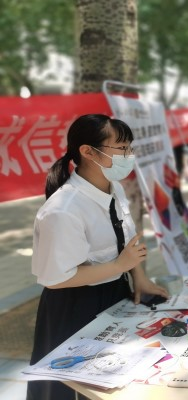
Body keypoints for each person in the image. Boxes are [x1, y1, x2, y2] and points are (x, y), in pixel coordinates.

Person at [27, 114, 169, 400]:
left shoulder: (114, 188)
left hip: (115, 293)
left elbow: (127, 241)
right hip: (74, 306)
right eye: (122, 148)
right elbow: (56, 278)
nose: (129, 156)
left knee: (118, 382)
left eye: (129, 148)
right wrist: (118, 265)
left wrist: (139, 278)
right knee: (74, 388)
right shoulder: (63, 210)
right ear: (88, 152)